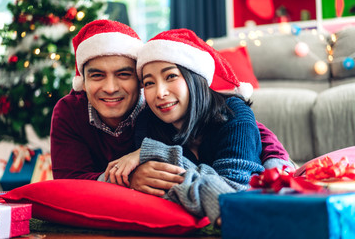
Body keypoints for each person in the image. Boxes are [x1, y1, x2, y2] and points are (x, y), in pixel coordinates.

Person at [50, 19, 293, 196]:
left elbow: (249, 129)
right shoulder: (148, 118)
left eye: (123, 74)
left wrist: (276, 163)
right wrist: (128, 179)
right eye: (97, 76)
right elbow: (68, 183)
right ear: (83, 80)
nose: (111, 87)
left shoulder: (154, 106)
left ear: (136, 79)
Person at [102, 29, 292, 224]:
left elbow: (234, 194)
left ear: (195, 77)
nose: (160, 93)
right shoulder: (146, 122)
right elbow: (157, 190)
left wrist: (158, 152)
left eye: (171, 77)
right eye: (149, 83)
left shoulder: (234, 113)